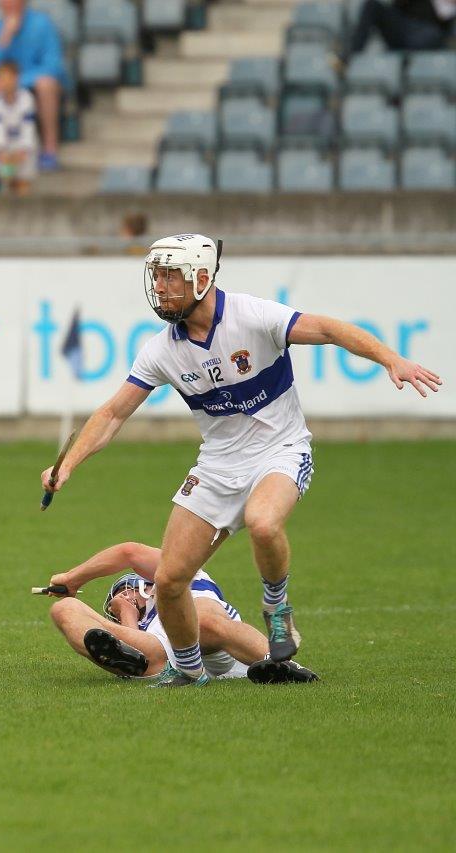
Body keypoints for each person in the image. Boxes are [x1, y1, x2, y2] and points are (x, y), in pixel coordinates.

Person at [41, 234, 442, 686]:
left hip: (281, 450)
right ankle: (188, 671)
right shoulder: (161, 349)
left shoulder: (253, 316)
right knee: (172, 580)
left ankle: (276, 607)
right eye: (156, 276)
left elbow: (329, 330)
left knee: (264, 522)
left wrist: (390, 359)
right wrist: (70, 462)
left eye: (170, 276)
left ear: (202, 277)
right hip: (217, 467)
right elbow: (114, 412)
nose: (160, 286)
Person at [44, 542, 319, 684]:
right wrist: (127, 613)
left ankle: (278, 663)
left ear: (144, 583)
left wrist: (72, 578)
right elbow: (136, 644)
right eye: (117, 598)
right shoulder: (144, 622)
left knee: (206, 622)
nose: (123, 598)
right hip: (164, 654)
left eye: (125, 590)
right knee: (63, 609)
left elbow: (128, 552)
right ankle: (132, 669)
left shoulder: (184, 578)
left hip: (211, 643)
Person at [0, 0, 65, 171]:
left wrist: (16, 81)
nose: (9, 4)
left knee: (47, 85)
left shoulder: (42, 24)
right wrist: (3, 39)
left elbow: (53, 66)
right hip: (5, 84)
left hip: (34, 82)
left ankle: (50, 150)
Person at [0, 60, 37, 195]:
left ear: (16, 78)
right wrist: (1, 149)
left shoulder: (27, 99)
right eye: (1, 79)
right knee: (6, 181)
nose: (4, 82)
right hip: (6, 148)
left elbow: (28, 126)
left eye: (8, 78)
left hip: (24, 148)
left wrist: (24, 149)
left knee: (23, 183)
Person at [346, 0, 455, 55]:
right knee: (372, 5)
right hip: (405, 29)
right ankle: (351, 56)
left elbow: (446, 18)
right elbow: (397, 7)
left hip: (430, 34)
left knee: (432, 34)